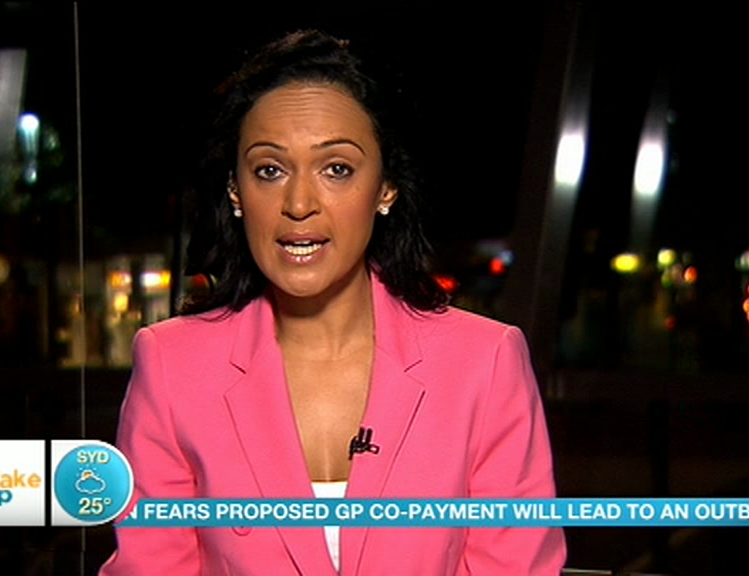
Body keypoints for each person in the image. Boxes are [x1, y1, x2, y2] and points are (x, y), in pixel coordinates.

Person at [100, 30, 565, 575]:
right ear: (235, 192)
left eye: (336, 169)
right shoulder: (172, 365)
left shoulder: (485, 362)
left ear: (386, 187)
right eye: (269, 170)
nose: (299, 204)